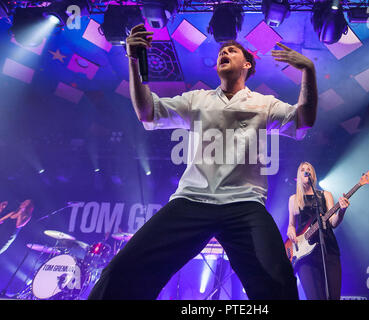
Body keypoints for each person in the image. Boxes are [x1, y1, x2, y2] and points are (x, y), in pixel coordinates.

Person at [88, 23, 318, 300]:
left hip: (244, 205)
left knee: (278, 279)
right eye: (223, 50)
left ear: (247, 64)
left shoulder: (263, 103)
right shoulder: (197, 99)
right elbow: (148, 112)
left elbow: (304, 119)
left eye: (232, 51)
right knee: (122, 270)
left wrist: (309, 72)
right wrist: (134, 61)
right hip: (192, 199)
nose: (225, 52)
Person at [287, 162, 349, 300]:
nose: (306, 171)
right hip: (304, 256)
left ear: (313, 175)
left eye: (308, 169)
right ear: (299, 175)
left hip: (328, 250)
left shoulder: (325, 195)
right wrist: (290, 230)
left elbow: (333, 222)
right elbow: (291, 225)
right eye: (302, 170)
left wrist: (342, 211)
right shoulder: (293, 199)